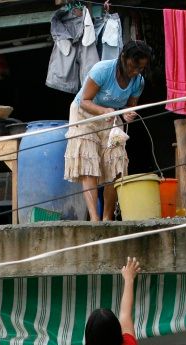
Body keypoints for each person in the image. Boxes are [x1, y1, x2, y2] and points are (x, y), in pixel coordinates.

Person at [64, 40, 153, 222]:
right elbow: (84, 101)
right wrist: (103, 111)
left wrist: (128, 115)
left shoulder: (138, 81)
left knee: (116, 164)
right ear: (123, 58)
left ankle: (107, 218)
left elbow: (129, 107)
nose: (135, 72)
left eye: (140, 68)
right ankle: (95, 219)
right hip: (85, 115)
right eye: (133, 66)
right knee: (89, 162)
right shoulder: (102, 70)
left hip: (111, 119)